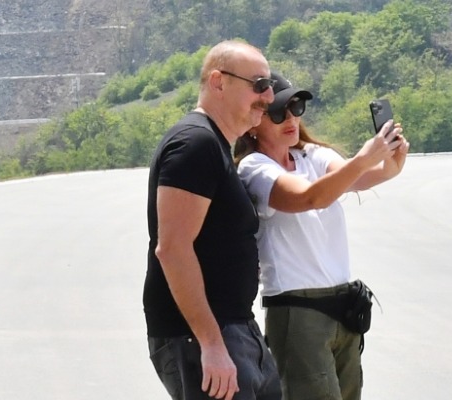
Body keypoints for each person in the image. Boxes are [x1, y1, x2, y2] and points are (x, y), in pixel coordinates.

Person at [234, 71, 409, 400]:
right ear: (254, 122)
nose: (290, 119)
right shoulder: (254, 167)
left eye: (295, 108)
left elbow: (358, 178)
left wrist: (390, 164)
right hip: (297, 310)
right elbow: (309, 197)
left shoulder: (310, 155)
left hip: (341, 305)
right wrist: (365, 159)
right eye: (278, 113)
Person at [144, 40, 282, 400]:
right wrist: (211, 343)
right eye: (259, 85)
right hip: (204, 337)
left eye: (269, 86)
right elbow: (173, 249)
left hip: (235, 329)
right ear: (219, 82)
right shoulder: (195, 144)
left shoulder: (214, 145)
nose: (268, 97)